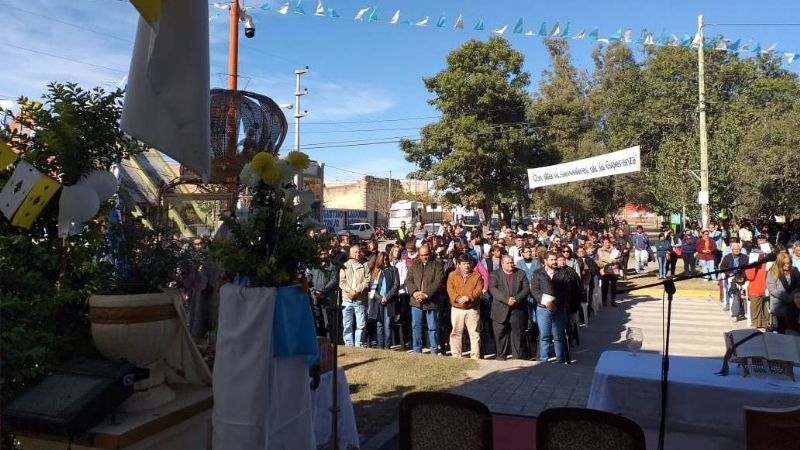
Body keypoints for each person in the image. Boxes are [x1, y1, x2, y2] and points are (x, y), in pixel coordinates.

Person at [489, 255, 530, 360]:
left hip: (517, 309)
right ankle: (501, 356)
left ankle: (517, 357)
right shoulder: (494, 275)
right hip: (500, 310)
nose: (510, 265)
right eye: (507, 263)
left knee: (517, 335)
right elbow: (493, 290)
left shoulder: (521, 273)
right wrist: (506, 300)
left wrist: (516, 299)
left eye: (511, 262)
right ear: (502, 264)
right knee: (500, 335)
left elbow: (525, 289)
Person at [406, 245, 444, 354]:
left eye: (426, 255)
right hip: (416, 302)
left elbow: (438, 282)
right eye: (422, 255)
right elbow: (409, 280)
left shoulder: (437, 265)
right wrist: (414, 293)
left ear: (430, 253)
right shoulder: (415, 265)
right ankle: (417, 350)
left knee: (432, 328)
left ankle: (434, 351)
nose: (424, 257)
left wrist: (426, 294)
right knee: (416, 327)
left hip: (431, 302)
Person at [531, 251, 567, 363]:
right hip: (543, 308)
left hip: (558, 308)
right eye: (551, 259)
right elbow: (535, 290)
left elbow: (566, 291)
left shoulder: (563, 273)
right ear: (545, 261)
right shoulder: (538, 273)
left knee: (558, 336)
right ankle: (543, 360)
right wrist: (546, 302)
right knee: (544, 336)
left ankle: (560, 360)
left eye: (555, 259)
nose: (554, 261)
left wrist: (554, 302)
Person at [447, 254, 483, 359]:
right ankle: (456, 356)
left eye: (468, 263)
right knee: (456, 332)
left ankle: (475, 356)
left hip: (472, 309)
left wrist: (468, 297)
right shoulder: (452, 275)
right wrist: (457, 298)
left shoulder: (477, 275)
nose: (466, 266)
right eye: (464, 264)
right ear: (459, 264)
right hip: (457, 308)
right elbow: (450, 289)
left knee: (474, 334)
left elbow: (478, 290)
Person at [339, 244, 370, 347]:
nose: (357, 254)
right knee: (347, 324)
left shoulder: (364, 265)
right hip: (347, 300)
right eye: (355, 252)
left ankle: (359, 345)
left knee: (361, 325)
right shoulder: (344, 265)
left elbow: (367, 281)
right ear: (351, 253)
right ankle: (348, 345)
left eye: (358, 252)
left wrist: (357, 291)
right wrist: (350, 291)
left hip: (360, 300)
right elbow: (341, 282)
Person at [368, 251, 400, 350]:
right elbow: (372, 288)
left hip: (389, 301)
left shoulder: (393, 270)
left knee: (387, 324)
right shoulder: (376, 271)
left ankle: (387, 346)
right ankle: (380, 346)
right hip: (378, 301)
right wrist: (380, 298)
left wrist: (387, 297)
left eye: (386, 259)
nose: (385, 262)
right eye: (383, 260)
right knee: (379, 324)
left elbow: (396, 285)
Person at [307, 249, 340, 339]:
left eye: (324, 253)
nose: (323, 255)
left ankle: (330, 343)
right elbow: (308, 279)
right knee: (317, 321)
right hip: (315, 298)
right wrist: (314, 290)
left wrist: (323, 291)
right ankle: (317, 342)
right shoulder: (312, 265)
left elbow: (334, 279)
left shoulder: (332, 265)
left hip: (328, 297)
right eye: (321, 253)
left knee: (328, 322)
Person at [766, 252, 800, 334]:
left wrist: (794, 294)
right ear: (780, 263)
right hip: (780, 306)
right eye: (785, 263)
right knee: (781, 331)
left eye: (789, 262)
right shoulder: (772, 272)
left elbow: (799, 284)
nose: (788, 265)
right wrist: (787, 298)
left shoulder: (794, 270)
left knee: (794, 331)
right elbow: (772, 289)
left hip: (794, 306)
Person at [719, 243, 749, 314]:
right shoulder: (727, 257)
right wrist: (729, 273)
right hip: (730, 277)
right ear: (731, 250)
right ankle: (728, 305)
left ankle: (742, 309)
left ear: (740, 250)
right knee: (730, 292)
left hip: (741, 277)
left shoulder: (745, 257)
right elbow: (722, 267)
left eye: (738, 249)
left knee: (742, 294)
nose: (736, 250)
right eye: (734, 249)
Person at [597, 238, 621, 307]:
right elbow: (602, 258)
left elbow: (619, 257)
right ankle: (604, 300)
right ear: (603, 243)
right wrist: (612, 261)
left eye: (608, 242)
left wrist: (617, 260)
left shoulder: (614, 250)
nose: (607, 243)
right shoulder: (600, 250)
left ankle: (613, 300)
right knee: (605, 286)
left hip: (614, 270)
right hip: (605, 270)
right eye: (605, 242)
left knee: (614, 286)